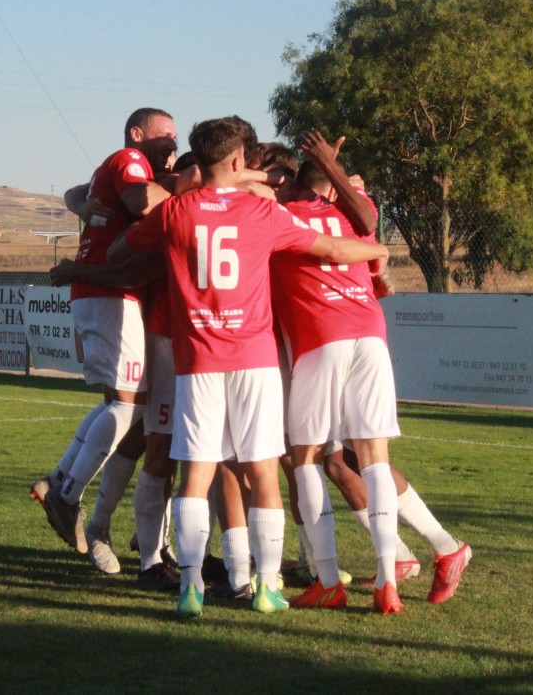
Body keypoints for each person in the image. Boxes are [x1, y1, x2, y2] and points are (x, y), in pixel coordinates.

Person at [107, 116, 390, 618]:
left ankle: (189, 587)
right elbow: (329, 248)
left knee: (197, 472)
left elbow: (118, 251)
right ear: (240, 161)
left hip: (197, 363)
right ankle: (265, 585)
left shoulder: (174, 213)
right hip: (255, 361)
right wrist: (377, 250)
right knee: (263, 472)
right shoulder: (262, 214)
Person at [272, 130, 470, 614]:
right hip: (369, 335)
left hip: (321, 341)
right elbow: (366, 226)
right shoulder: (354, 210)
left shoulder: (284, 218)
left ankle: (329, 577)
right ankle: (390, 577)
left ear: (294, 183)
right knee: (368, 459)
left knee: (307, 460)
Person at [34, 108, 178, 567]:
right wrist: (196, 182)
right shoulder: (127, 161)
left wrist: (77, 200)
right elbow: (141, 202)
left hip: (114, 296)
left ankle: (60, 484)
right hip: (108, 293)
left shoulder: (129, 169)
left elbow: (83, 191)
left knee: (127, 412)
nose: (171, 144)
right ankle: (68, 495)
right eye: (165, 135)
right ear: (137, 135)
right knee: (126, 405)